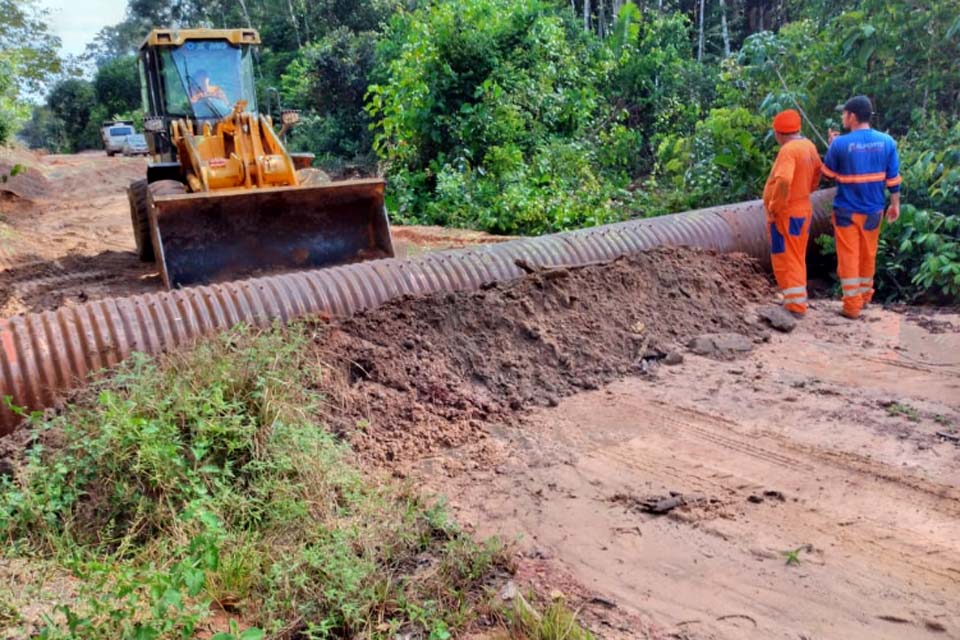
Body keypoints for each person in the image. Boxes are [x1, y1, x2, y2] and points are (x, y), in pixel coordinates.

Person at [822, 95, 901, 319]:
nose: (842, 117)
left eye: (844, 113)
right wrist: (895, 205)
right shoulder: (887, 142)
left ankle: (851, 307)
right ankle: (865, 298)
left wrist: (831, 147)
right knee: (868, 255)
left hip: (846, 212)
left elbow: (828, 175)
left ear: (853, 116)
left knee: (848, 258)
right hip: (874, 211)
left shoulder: (840, 144)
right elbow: (893, 179)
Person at [762, 109, 823, 316]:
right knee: (784, 255)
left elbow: (785, 180)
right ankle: (790, 299)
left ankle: (796, 305)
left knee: (791, 256)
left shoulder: (788, 151)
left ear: (779, 133)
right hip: (800, 208)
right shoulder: (808, 146)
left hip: (787, 212)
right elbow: (817, 172)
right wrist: (807, 190)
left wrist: (775, 205)